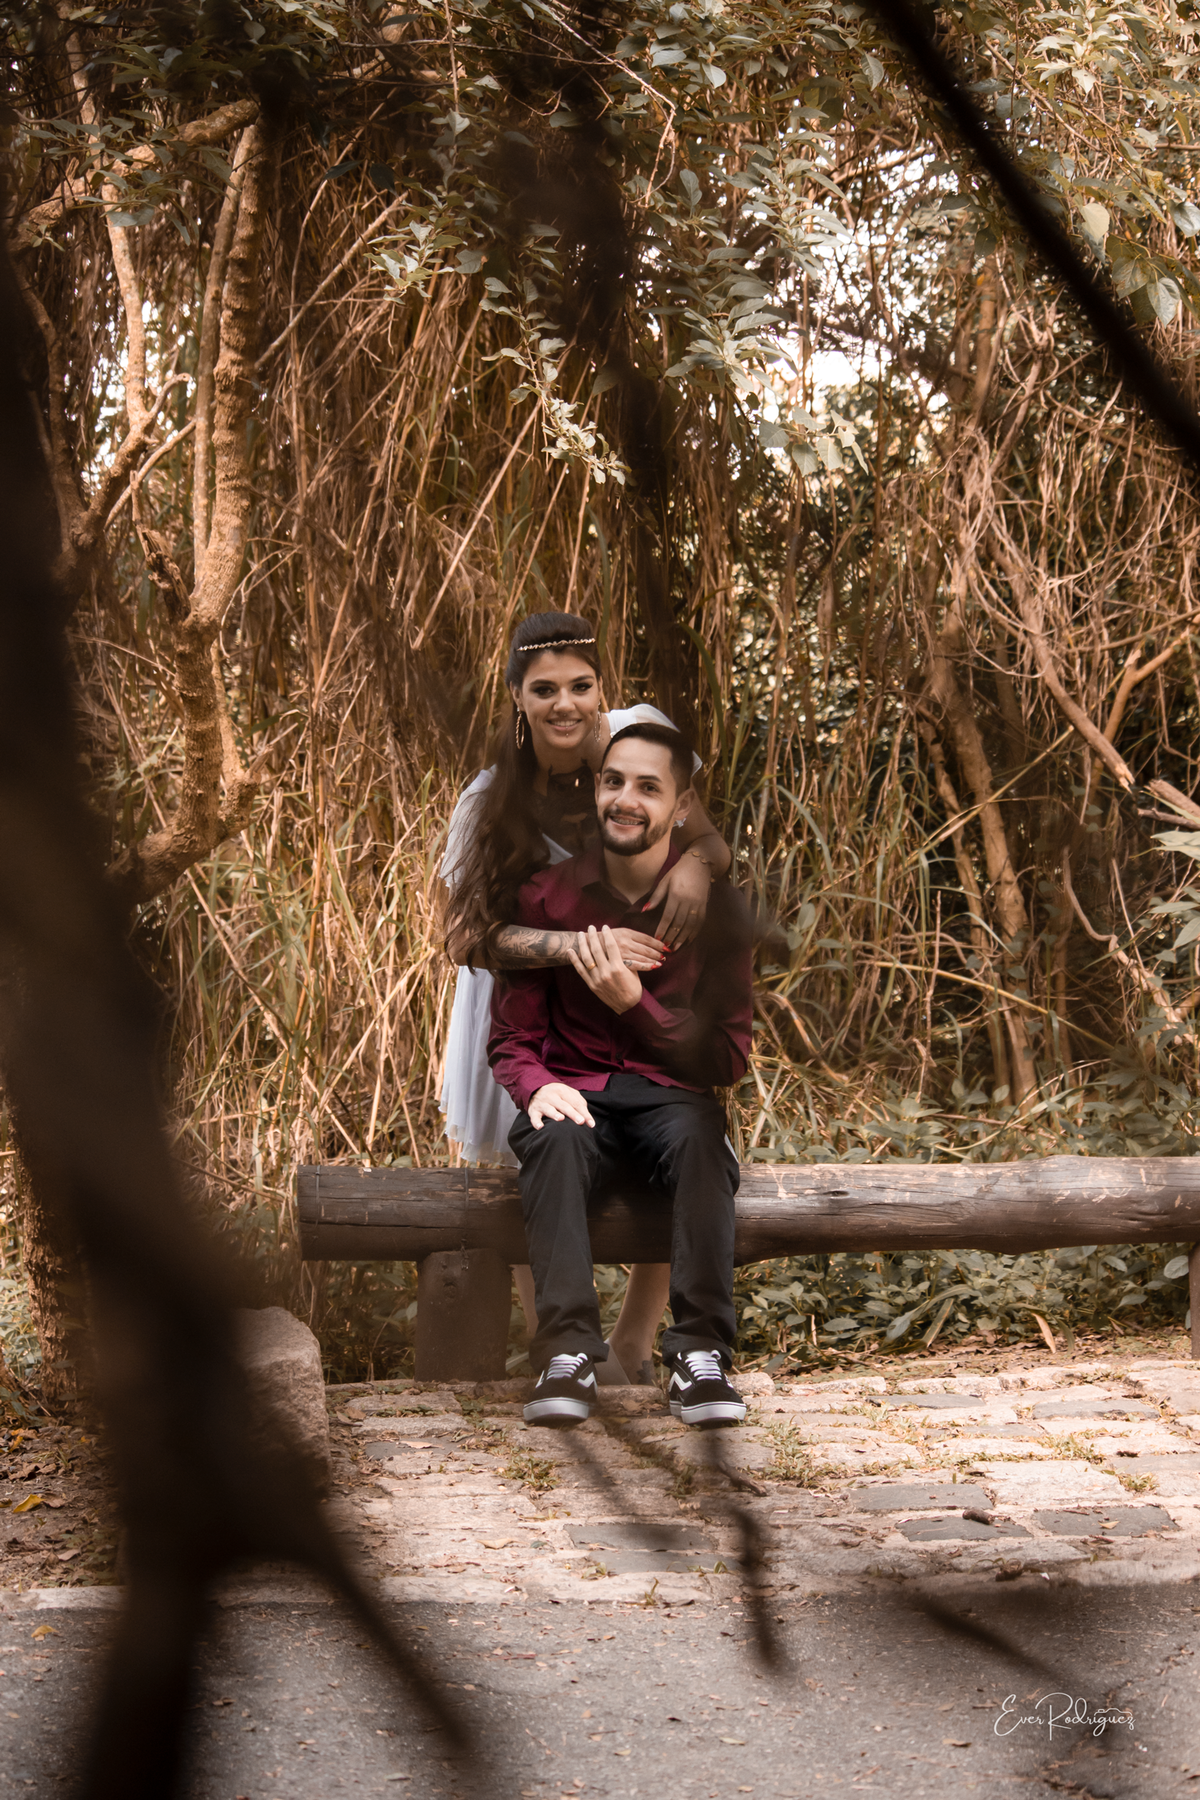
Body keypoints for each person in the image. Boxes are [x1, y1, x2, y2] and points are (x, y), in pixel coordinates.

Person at [440, 612, 732, 1384]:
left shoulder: (640, 743)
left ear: (603, 686)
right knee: (538, 1147)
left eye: (580, 685)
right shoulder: (492, 800)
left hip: (645, 987)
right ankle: (562, 1346)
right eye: (544, 689)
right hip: (528, 1004)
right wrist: (576, 948)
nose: (565, 704)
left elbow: (707, 838)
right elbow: (464, 938)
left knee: (673, 1134)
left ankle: (636, 1341)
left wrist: (697, 865)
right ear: (516, 695)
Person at [487, 721, 753, 1428]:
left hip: (673, 1099)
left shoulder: (721, 910)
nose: (625, 799)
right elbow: (512, 1038)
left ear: (682, 806)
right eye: (613, 781)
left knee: (703, 1142)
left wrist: (637, 1007)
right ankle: (566, 1354)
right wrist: (537, 1085)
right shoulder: (545, 898)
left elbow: (726, 1059)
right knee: (552, 1135)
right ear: (596, 790)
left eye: (648, 787)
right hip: (577, 1090)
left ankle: (701, 1358)